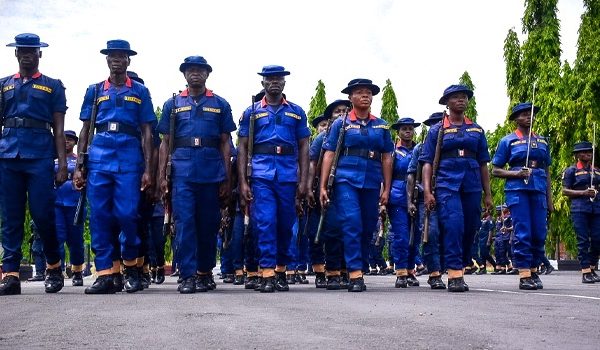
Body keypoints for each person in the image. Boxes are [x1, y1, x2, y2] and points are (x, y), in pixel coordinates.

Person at [74, 39, 155, 294]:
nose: (116, 59)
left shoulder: (140, 91)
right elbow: (85, 129)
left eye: (121, 56)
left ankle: (131, 266)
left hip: (130, 156)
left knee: (127, 214)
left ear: (129, 60)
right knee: (99, 215)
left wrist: (148, 169)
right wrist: (79, 166)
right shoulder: (95, 90)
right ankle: (106, 273)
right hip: (99, 156)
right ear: (107, 60)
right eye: (112, 56)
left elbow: (147, 132)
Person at [157, 56, 235, 293]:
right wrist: (162, 175)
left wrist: (227, 177)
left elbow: (225, 143)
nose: (195, 74)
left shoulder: (220, 104)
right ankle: (188, 275)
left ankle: (204, 272)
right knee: (185, 224)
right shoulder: (173, 104)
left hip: (211, 172)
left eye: (200, 70)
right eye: (190, 70)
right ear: (184, 74)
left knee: (209, 224)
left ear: (207, 74)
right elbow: (165, 143)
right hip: (182, 172)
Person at [0, 33, 67, 295]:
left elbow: (59, 131)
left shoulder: (52, 86)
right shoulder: (3, 85)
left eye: (32, 50)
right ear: (16, 54)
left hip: (39, 155)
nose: (27, 54)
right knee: (10, 217)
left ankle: (53, 265)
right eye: (22, 50)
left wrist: (62, 165)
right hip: (7, 156)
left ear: (40, 54)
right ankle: (11, 274)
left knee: (43, 215)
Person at [237, 65, 310, 293]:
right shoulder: (251, 113)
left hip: (288, 175)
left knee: (286, 225)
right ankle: (267, 270)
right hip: (261, 174)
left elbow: (304, 148)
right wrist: (242, 181)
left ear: (284, 83)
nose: (274, 82)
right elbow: (242, 147)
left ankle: (280, 269)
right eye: (269, 79)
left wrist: (305, 182)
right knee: (266, 221)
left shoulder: (296, 112)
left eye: (278, 78)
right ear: (263, 84)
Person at [320, 78, 394, 292]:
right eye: (360, 92)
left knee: (368, 226)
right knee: (352, 221)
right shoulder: (341, 123)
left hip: (371, 180)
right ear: (351, 97)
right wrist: (324, 186)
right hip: (345, 178)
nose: (365, 95)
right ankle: (354, 272)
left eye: (369, 93)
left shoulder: (381, 125)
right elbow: (329, 154)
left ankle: (359, 266)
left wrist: (386, 188)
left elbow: (387, 157)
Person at [420, 85, 493, 292]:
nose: (461, 100)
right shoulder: (437, 130)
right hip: (446, 183)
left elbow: (483, 164)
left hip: (471, 183)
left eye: (464, 97)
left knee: (471, 227)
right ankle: (454, 273)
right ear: (447, 103)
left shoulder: (477, 130)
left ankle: (460, 263)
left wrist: (487, 194)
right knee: (454, 225)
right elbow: (426, 162)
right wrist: (427, 191)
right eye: (456, 97)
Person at [491, 102, 553, 290]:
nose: (529, 117)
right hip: (518, 191)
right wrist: (516, 174)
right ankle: (524, 272)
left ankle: (534, 268)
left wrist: (549, 199)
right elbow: (496, 170)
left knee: (539, 232)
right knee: (523, 230)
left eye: (531, 114)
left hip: (539, 188)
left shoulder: (542, 141)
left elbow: (547, 170)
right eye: (524, 114)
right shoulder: (507, 141)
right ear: (516, 118)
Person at [305, 99, 351, 289]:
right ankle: (320, 271)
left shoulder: (355, 135)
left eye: (344, 110)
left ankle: (342, 269)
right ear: (331, 117)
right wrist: (309, 188)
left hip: (346, 188)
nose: (341, 114)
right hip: (322, 190)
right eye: (337, 112)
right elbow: (312, 163)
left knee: (343, 230)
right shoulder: (322, 138)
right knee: (318, 231)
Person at [407, 112, 445, 289]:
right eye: (434, 124)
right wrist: (410, 201)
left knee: (450, 232)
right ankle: (434, 272)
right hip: (425, 197)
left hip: (448, 194)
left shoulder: (454, 144)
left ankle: (448, 268)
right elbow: (412, 175)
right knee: (431, 233)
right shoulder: (421, 148)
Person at [388, 117, 420, 288]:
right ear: (398, 132)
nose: (408, 131)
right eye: (404, 129)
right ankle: (400, 271)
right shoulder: (394, 151)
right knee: (401, 235)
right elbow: (387, 174)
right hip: (397, 195)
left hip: (417, 194)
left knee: (414, 236)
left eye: (410, 128)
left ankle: (410, 270)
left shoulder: (419, 149)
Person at [562, 141, 600, 283]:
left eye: (589, 151)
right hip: (579, 208)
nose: (587, 154)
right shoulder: (571, 171)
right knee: (583, 240)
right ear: (577, 155)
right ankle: (585, 271)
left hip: (596, 208)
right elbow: (565, 191)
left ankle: (591, 266)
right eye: (583, 152)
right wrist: (583, 192)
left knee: (597, 239)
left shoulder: (596, 170)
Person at [55, 130, 86, 286]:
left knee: (76, 240)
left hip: (75, 203)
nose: (67, 142)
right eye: (64, 139)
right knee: (57, 237)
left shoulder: (78, 161)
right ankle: (56, 271)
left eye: (70, 140)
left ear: (75, 143)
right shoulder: (53, 159)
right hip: (57, 203)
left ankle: (77, 271)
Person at [474, 210, 497, 274]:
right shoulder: (483, 219)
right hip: (481, 239)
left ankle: (495, 265)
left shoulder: (490, 219)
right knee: (482, 254)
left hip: (486, 239)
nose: (482, 213)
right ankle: (483, 269)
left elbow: (490, 230)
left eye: (483, 211)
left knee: (486, 254)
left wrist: (489, 241)